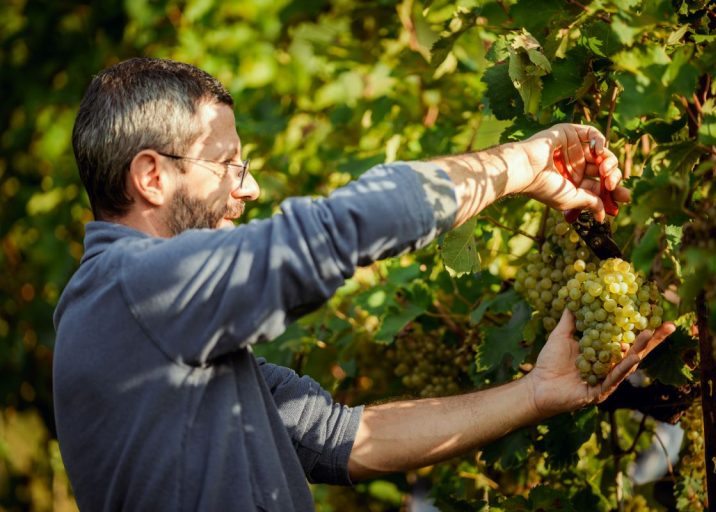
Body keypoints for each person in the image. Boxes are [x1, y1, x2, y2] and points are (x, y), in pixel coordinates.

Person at [53, 57, 674, 511]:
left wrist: (536, 393)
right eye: (226, 164)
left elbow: (344, 440)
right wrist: (519, 166)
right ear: (152, 178)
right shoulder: (131, 288)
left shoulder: (167, 336)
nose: (248, 188)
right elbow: (336, 232)